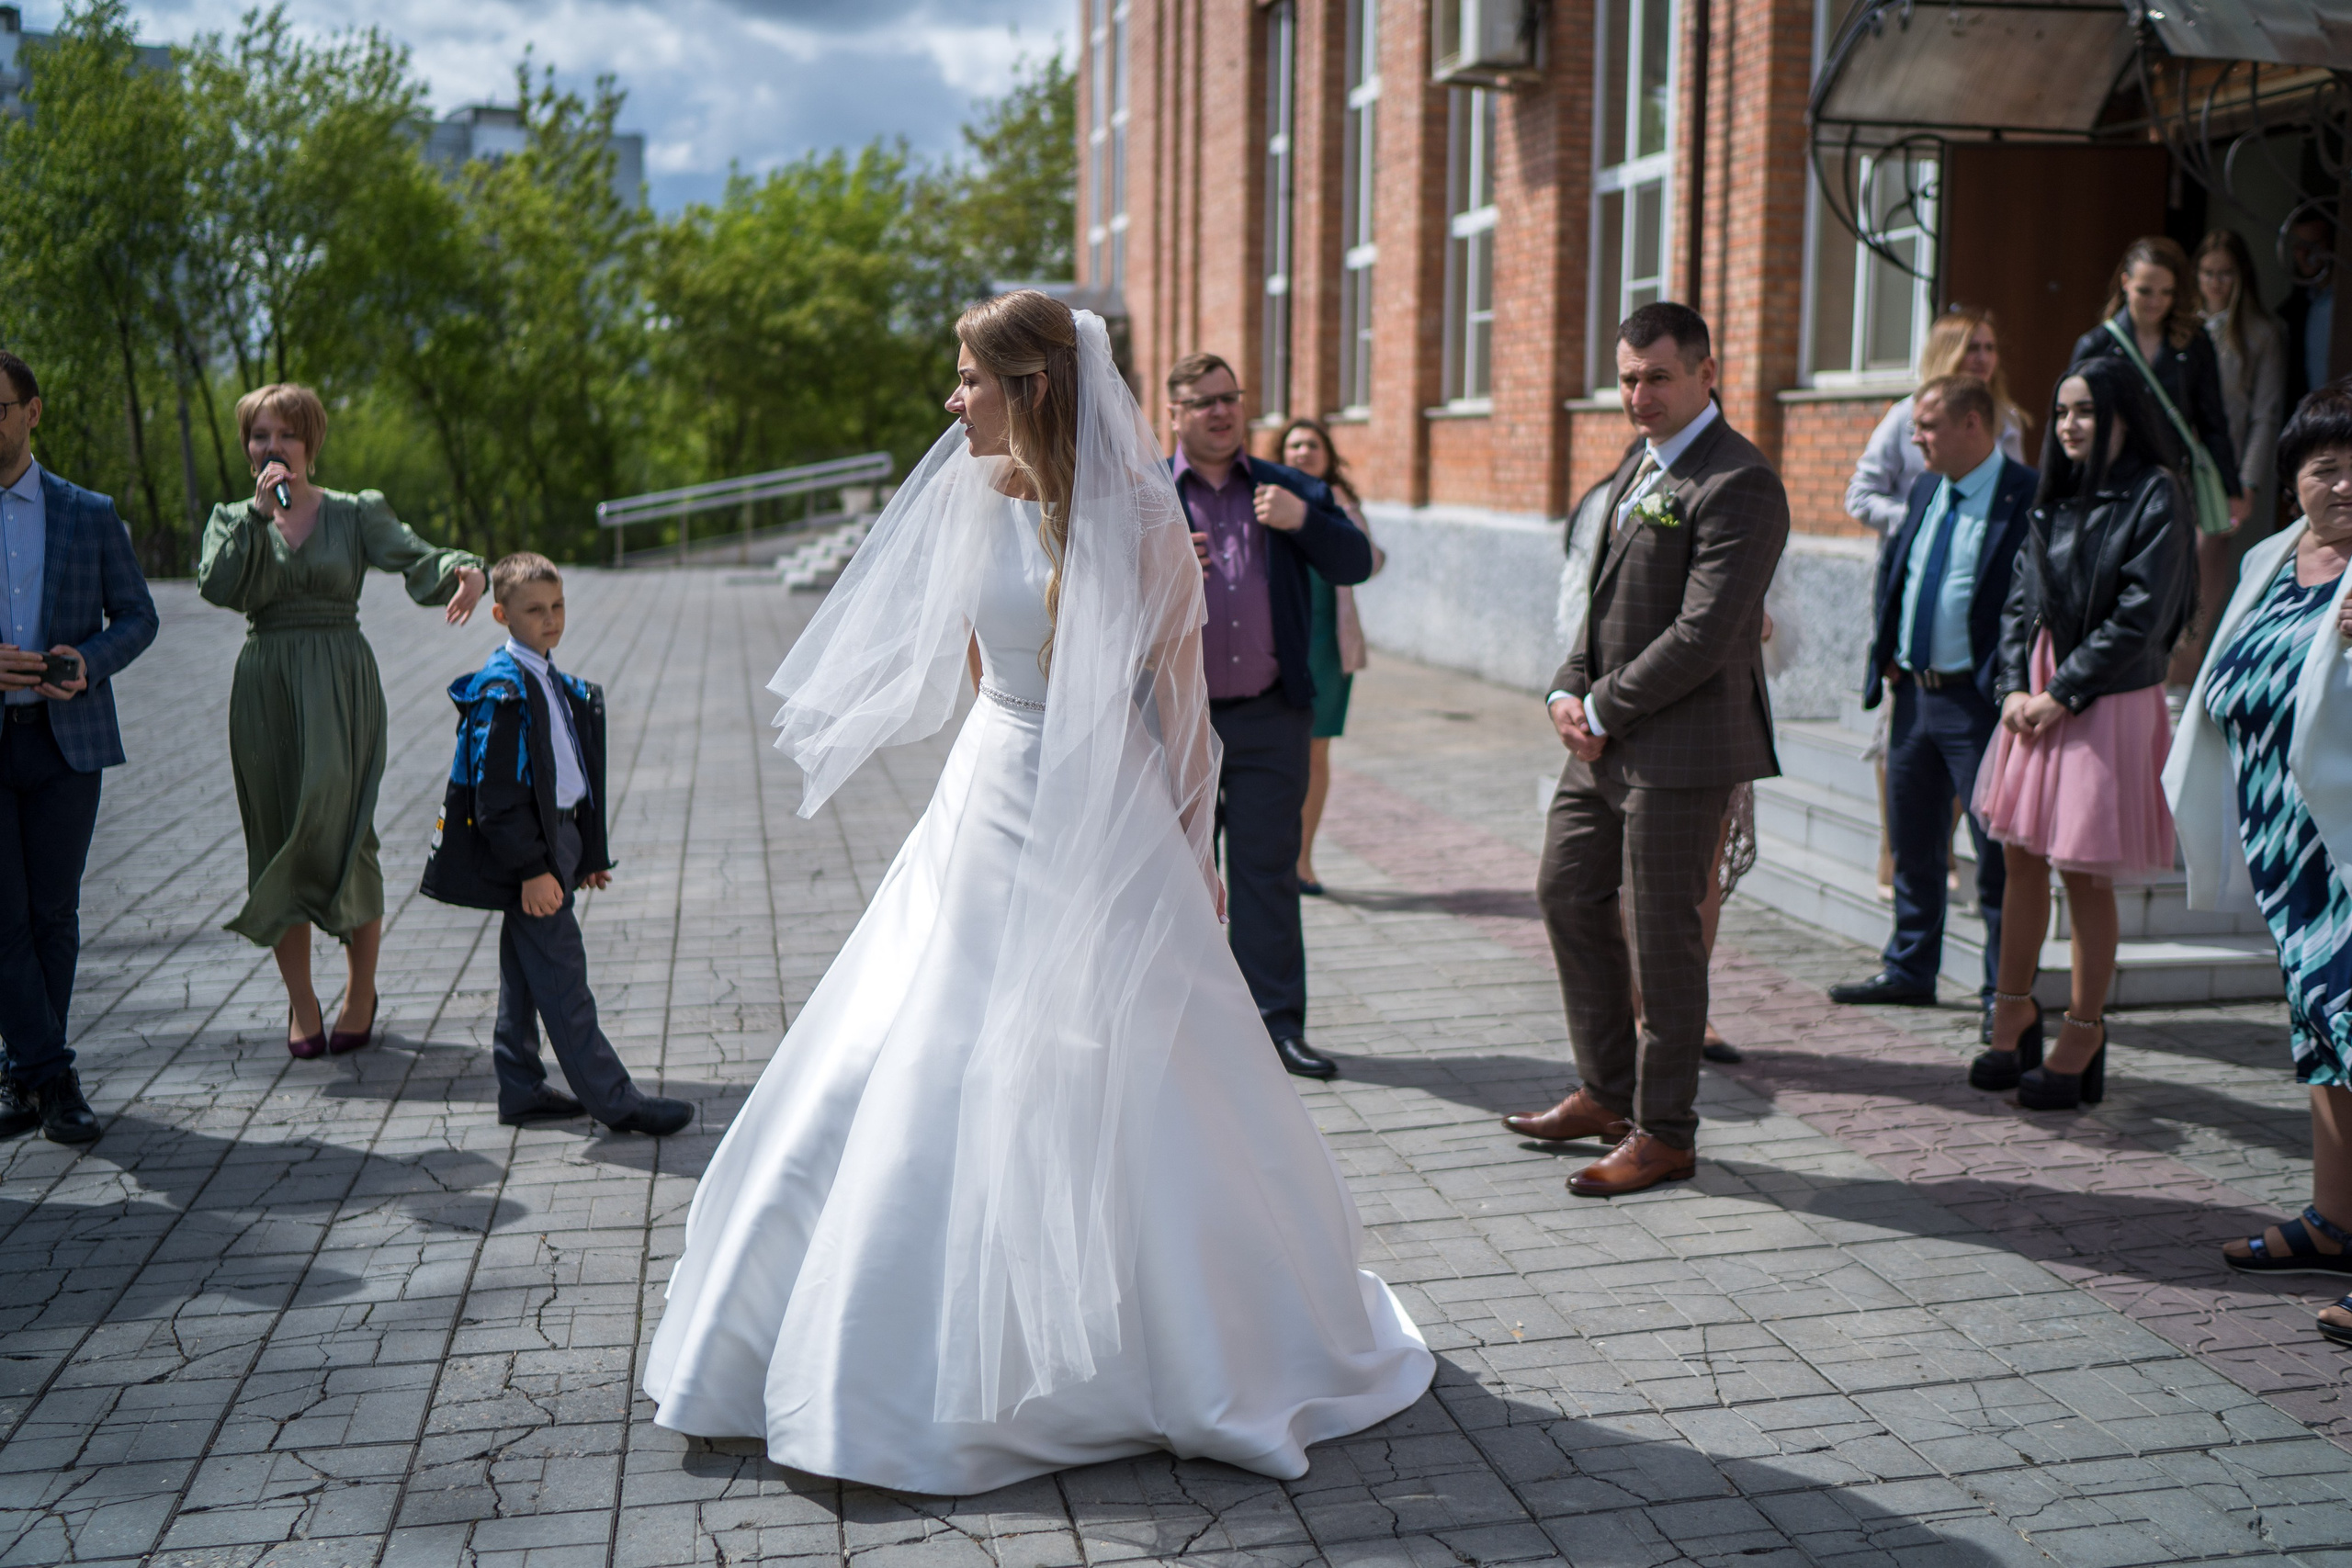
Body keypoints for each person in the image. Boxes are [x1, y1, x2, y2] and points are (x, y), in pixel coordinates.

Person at [640, 290, 1432, 1493]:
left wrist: (1184, 859)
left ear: (1036, 388)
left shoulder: (1141, 520)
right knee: (918, 1036)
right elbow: (974, 659)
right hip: (990, 791)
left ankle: (1161, 1343)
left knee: (1129, 1064)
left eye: (970, 379)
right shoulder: (968, 493)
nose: (950, 400)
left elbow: (1177, 709)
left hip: (1107, 807)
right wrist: (1005, 741)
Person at [1504, 302, 1789, 1197]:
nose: (1638, 394)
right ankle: (1604, 1090)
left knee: (1664, 940)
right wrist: (1563, 690)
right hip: (1602, 740)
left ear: (1708, 372)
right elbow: (1597, 604)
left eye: (1657, 376)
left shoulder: (1737, 479)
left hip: (1682, 749)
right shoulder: (1639, 460)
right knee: (1564, 890)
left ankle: (1665, 1132)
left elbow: (1707, 634)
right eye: (1627, 378)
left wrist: (1599, 704)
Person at [197, 384, 487, 1058]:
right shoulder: (232, 518)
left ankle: (361, 992)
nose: (272, 448)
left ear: (311, 444)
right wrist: (259, 518)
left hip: (341, 679)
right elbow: (216, 583)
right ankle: (302, 1002)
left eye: (285, 435)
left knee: (349, 828)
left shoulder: (356, 513)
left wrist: (466, 571)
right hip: (266, 684)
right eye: (259, 436)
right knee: (276, 836)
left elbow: (419, 556)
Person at [2165, 385, 2352, 1347]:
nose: (2344, 480)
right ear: (2291, 482)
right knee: (2324, 1041)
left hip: (2349, 850)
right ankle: (2334, 1219)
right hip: (2291, 850)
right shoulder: (2268, 561)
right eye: (2324, 464)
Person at [1972, 358, 2194, 1110]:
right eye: (2063, 411)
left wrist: (2060, 694)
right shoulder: (2057, 491)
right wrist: (2011, 689)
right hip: (2033, 695)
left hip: (2103, 699)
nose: (2070, 425)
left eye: (2087, 412)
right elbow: (2016, 603)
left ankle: (2084, 1029)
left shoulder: (2156, 493)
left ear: (2125, 415)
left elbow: (2143, 616)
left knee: (2083, 873)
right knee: (2020, 859)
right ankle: (2011, 1010)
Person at [418, 554, 693, 1135]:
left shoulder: (547, 675)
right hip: (533, 853)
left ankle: (520, 1087)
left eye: (558, 606)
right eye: (535, 610)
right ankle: (616, 1101)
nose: (551, 619)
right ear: (501, 614)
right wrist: (532, 869)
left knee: (524, 967)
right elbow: (496, 801)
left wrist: (586, 854)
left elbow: (569, 773)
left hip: (557, 843)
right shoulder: (503, 691)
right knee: (563, 975)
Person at [1167, 354, 1374, 1079]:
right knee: (1176, 880)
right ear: (1175, 414)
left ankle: (1276, 1029)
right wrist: (1163, 568)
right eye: (1203, 402)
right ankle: (1184, 1032)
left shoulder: (1288, 487)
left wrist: (1305, 521)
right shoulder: (1147, 499)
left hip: (1269, 718)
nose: (1221, 412)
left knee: (1266, 877)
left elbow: (1357, 562)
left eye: (1231, 398)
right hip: (1175, 722)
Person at [1829, 376, 2037, 1038]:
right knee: (1914, 842)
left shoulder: (2026, 495)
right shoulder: (1922, 488)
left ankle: (2002, 993)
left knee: (1997, 857)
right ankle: (1910, 968)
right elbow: (1900, 574)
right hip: (1914, 696)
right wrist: (1888, 652)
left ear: (1973, 424)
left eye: (1926, 426)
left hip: (1979, 705)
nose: (1914, 439)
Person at [0, 351, 160, 1147]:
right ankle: (48, 1075)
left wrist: (87, 661)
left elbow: (139, 615)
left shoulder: (87, 511)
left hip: (68, 743)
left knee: (54, 913)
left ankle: (26, 1075)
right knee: (4, 919)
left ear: (33, 410)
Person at [2069, 235, 2247, 539]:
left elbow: (2212, 421)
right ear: (2125, 282)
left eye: (2166, 292)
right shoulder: (2096, 345)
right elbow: (2072, 418)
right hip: (2109, 483)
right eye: (2145, 291)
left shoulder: (2194, 342)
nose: (2155, 302)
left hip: (2169, 483)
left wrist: (2230, 488)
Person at [1275, 416, 1385, 896]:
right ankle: (1270, 853)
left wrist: (1336, 519)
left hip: (1328, 645)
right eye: (1294, 445)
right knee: (1277, 754)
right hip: (1280, 643)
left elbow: (1372, 561)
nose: (1302, 453)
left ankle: (1302, 860)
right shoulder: (1267, 499)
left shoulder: (1341, 505)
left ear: (1326, 454)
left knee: (1316, 753)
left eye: (1311, 445)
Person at [2181, 227, 2290, 682]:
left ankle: (2185, 674)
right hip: (2174, 466)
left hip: (2221, 471)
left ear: (2241, 275)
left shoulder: (2261, 333)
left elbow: (2266, 415)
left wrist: (2246, 483)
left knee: (2206, 574)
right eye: (2207, 273)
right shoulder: (2181, 325)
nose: (2215, 283)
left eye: (2225, 274)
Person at [1844, 305, 2030, 534]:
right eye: (1972, 348)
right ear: (1946, 353)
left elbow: (2015, 493)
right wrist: (1918, 522)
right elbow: (1860, 495)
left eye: (1990, 348)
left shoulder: (2007, 418)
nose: (1983, 359)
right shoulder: (1905, 415)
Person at [2280, 211, 2336, 410]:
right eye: (2298, 246)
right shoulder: (2295, 308)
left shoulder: (2341, 304)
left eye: (2312, 245)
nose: (2304, 254)